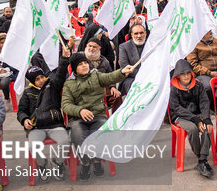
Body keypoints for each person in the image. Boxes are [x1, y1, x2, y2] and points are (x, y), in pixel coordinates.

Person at [62, 53, 134, 181]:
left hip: (98, 115)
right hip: (78, 119)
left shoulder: (96, 75)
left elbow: (110, 77)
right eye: (80, 64)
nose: (84, 66)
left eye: (85, 63)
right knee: (78, 135)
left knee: (102, 132)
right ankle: (86, 163)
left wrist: (122, 72)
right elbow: (66, 105)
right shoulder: (69, 84)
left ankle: (96, 160)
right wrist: (80, 111)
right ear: (74, 68)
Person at [16, 44, 71, 182]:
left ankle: (58, 162)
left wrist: (64, 59)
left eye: (42, 77)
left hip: (54, 124)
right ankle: (43, 164)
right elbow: (21, 110)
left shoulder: (51, 86)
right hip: (37, 127)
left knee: (65, 141)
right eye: (37, 79)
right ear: (32, 81)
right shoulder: (27, 93)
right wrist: (24, 120)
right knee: (33, 145)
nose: (41, 80)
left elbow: (60, 74)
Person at [169, 59, 214, 178]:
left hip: (197, 114)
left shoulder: (198, 85)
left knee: (207, 128)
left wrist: (206, 119)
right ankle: (201, 157)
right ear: (178, 75)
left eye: (188, 73)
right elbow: (175, 108)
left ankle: (202, 160)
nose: (186, 76)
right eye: (183, 74)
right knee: (193, 129)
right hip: (181, 117)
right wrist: (195, 119)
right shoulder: (173, 88)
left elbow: (204, 102)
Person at [83, 37, 123, 111]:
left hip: (102, 87)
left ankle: (115, 119)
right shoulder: (80, 58)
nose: (91, 49)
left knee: (117, 96)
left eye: (94, 47)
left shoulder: (104, 61)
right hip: (85, 87)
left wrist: (112, 87)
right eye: (90, 46)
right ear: (86, 46)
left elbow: (110, 75)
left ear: (99, 48)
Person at [187, 31, 217, 106]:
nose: (211, 33)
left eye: (211, 31)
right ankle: (210, 106)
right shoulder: (194, 44)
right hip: (203, 73)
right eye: (208, 31)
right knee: (208, 87)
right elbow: (193, 64)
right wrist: (209, 72)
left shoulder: (216, 41)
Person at [118, 23, 147, 95]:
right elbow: (125, 66)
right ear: (132, 35)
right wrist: (142, 76)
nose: (139, 36)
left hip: (149, 77)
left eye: (141, 33)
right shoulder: (124, 47)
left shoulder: (151, 46)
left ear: (145, 33)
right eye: (136, 33)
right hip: (131, 78)